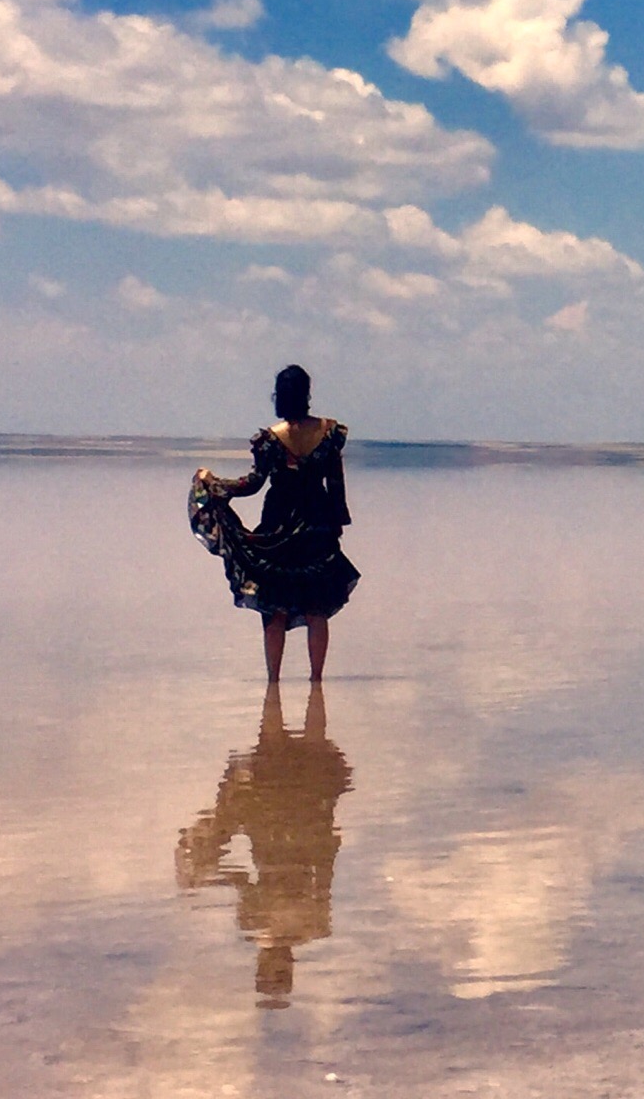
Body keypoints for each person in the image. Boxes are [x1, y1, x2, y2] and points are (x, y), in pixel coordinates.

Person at [175, 682, 352, 1007]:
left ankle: (215, 821)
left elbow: (246, 880)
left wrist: (217, 874)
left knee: (237, 798)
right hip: (291, 837)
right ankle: (219, 818)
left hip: (276, 839)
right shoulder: (310, 926)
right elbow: (324, 868)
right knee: (239, 798)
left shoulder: (304, 926)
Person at [189, 364, 359, 682]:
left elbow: (254, 483)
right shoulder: (329, 432)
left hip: (277, 522)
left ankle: (273, 683)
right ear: (307, 394)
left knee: (274, 606)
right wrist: (337, 523)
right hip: (317, 522)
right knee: (316, 606)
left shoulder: (270, 439)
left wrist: (215, 484)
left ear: (279, 396)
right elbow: (336, 485)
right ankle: (316, 682)